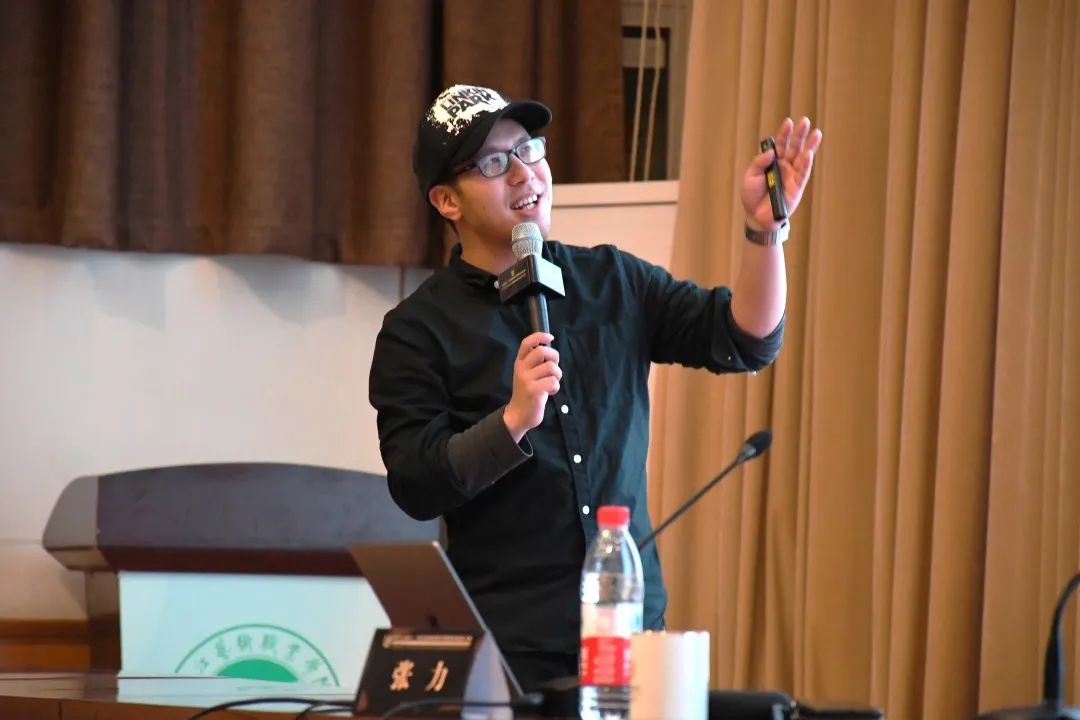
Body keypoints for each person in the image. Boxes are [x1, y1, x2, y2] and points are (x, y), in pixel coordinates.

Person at [369, 84, 822, 691]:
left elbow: (744, 339)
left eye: (529, 149)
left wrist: (765, 234)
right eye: (495, 162)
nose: (524, 173)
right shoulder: (417, 330)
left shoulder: (612, 279)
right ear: (447, 200)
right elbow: (415, 483)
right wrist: (512, 420)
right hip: (510, 654)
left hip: (631, 635)